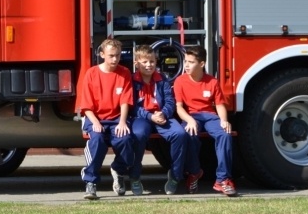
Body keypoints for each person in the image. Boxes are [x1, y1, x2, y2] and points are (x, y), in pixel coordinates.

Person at [173, 46, 237, 197]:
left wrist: (224, 120)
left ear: (201, 64)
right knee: (189, 134)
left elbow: (220, 105)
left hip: (210, 116)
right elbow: (179, 108)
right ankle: (194, 173)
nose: (186, 65)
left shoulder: (212, 82)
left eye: (190, 62)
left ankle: (223, 179)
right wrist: (189, 120)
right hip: (191, 116)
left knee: (225, 135)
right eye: (185, 61)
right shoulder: (180, 81)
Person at [76, 38, 134, 200]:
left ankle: (119, 170)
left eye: (117, 55)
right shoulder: (92, 73)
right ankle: (91, 182)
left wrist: (122, 121)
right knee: (97, 141)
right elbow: (86, 106)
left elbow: (125, 101)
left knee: (126, 140)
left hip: (117, 119)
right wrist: (95, 123)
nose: (115, 59)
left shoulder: (124, 73)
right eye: (111, 56)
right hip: (95, 118)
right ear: (102, 55)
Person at [130, 44, 189, 195]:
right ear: (136, 63)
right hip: (142, 117)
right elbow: (131, 106)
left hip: (161, 116)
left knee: (180, 134)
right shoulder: (131, 81)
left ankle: (175, 176)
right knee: (138, 135)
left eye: (152, 62)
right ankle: (135, 177)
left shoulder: (162, 79)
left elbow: (170, 101)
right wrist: (150, 116)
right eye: (145, 62)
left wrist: (164, 113)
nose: (149, 65)